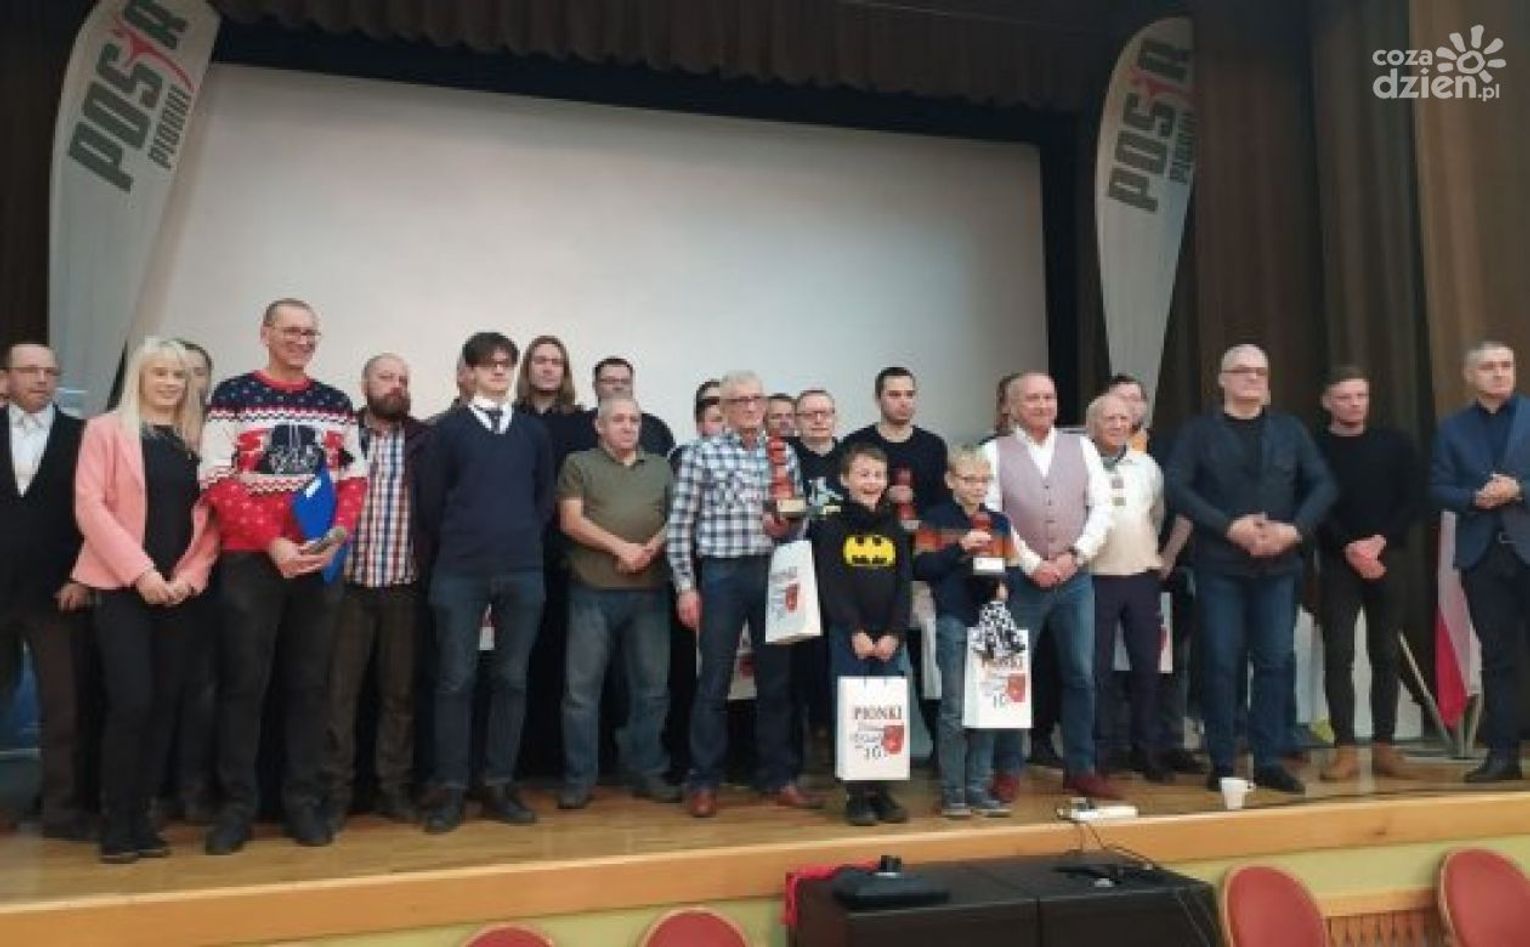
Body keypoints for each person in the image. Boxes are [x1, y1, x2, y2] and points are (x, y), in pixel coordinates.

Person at [198, 299, 368, 854]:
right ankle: (237, 807)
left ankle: (302, 803)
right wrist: (272, 541)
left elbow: (354, 477)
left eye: (310, 333)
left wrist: (337, 535)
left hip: (318, 563)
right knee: (243, 688)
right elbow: (217, 477)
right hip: (252, 561)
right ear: (265, 333)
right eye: (291, 330)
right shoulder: (233, 396)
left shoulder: (336, 404)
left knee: (309, 687)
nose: (302, 340)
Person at [1165, 344, 1336, 795]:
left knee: (1275, 662)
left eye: (1261, 371)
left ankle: (1269, 759)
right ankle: (1223, 760)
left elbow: (1323, 484)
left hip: (1278, 566)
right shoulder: (1199, 432)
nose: (1253, 378)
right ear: (1222, 379)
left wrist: (1293, 530)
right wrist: (1229, 527)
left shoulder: (1290, 429)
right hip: (1220, 565)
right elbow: (1176, 487)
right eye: (1242, 371)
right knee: (1222, 662)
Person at [73, 338, 219, 863]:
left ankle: (142, 818)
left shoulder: (199, 439)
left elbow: (213, 519)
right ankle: (116, 822)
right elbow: (90, 508)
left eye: (178, 375)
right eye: (160, 373)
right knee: (132, 702)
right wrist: (142, 574)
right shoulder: (104, 431)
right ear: (140, 376)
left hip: (180, 594)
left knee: (163, 706)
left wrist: (190, 577)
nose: (170, 383)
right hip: (123, 589)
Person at [416, 332, 554, 832]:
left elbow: (544, 496)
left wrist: (519, 535)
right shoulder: (448, 431)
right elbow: (431, 502)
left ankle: (498, 783)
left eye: (506, 364)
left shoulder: (531, 431)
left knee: (512, 680)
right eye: (489, 364)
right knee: (455, 681)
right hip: (460, 570)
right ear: (470, 372)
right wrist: (468, 538)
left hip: (522, 569)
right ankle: (452, 788)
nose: (499, 372)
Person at [667, 370, 819, 818]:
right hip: (722, 575)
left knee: (776, 683)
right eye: (740, 401)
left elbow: (800, 518)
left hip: (773, 572)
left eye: (757, 399)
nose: (751, 407)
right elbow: (680, 526)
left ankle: (778, 777)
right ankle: (704, 781)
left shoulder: (783, 453)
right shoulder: (702, 454)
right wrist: (685, 587)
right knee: (714, 682)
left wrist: (787, 526)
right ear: (725, 408)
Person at [982, 372, 1118, 801]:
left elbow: (1102, 509)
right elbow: (992, 516)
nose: (1043, 405)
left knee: (1080, 675)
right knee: (1010, 675)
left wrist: (1074, 556)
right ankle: (1007, 769)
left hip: (1075, 580)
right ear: (1012, 406)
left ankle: (1081, 768)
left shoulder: (1083, 448)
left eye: (1049, 396)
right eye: (1033, 398)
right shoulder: (993, 452)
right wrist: (1032, 563)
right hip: (1020, 582)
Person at [322, 354, 430, 830]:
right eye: (386, 377)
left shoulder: (425, 440)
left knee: (399, 697)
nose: (395, 385)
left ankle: (393, 789)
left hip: (403, 586)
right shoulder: (340, 435)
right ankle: (335, 793)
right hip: (346, 587)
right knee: (338, 697)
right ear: (364, 383)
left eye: (403, 379)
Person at [556, 395, 680, 809]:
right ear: (600, 425)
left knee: (652, 690)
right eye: (619, 420)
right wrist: (622, 548)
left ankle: (648, 773)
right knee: (581, 693)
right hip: (591, 593)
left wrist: (648, 550)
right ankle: (580, 779)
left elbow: (677, 518)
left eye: (635, 420)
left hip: (649, 593)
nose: (628, 427)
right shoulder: (578, 464)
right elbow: (571, 521)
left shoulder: (660, 466)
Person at [0, 342, 95, 840]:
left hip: (59, 592)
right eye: (29, 370)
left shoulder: (84, 436)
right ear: (6, 378)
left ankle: (61, 810)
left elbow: (99, 513)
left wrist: (83, 576)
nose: (41, 379)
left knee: (63, 706)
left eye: (50, 372)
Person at [1429, 340, 1530, 784]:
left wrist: (1519, 490)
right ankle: (1503, 755)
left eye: (1506, 365)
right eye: (1489, 367)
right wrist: (1474, 498)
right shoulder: (1452, 429)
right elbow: (1437, 487)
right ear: (1470, 376)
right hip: (1483, 557)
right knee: (1497, 658)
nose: (1500, 373)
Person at [1313, 366, 1421, 782]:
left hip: (1388, 557)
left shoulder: (1395, 443)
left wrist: (1378, 543)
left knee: (1386, 652)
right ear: (1327, 402)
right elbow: (1315, 505)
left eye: (1361, 396)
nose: (1354, 404)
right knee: (1339, 654)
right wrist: (1349, 547)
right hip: (1337, 561)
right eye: (1345, 397)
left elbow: (1413, 499)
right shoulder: (1316, 447)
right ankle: (1344, 748)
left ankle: (1384, 746)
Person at [914, 447, 1019, 818]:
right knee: (954, 709)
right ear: (950, 481)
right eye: (969, 479)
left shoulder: (999, 522)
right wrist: (960, 547)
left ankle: (977, 787)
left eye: (983, 480)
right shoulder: (936, 519)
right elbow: (921, 567)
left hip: (991, 620)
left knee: (988, 707)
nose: (977, 487)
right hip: (953, 619)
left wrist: (1005, 586)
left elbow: (1011, 569)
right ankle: (952, 791)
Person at [815, 443, 911, 825]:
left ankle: (881, 789)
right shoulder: (833, 525)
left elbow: (903, 584)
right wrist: (853, 629)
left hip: (888, 638)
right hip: (850, 636)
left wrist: (895, 633)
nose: (872, 481)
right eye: (863, 474)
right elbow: (832, 584)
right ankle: (855, 793)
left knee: (886, 713)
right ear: (845, 480)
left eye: (878, 475)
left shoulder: (894, 526)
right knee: (853, 712)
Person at [1085, 394, 1171, 783]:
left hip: (1141, 577)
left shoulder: (1146, 465)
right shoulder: (1079, 462)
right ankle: (1102, 753)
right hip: (1094, 578)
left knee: (1148, 669)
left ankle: (1147, 751)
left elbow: (1157, 514)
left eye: (1124, 418)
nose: (1119, 425)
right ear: (1092, 424)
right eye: (1110, 419)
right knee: (1097, 670)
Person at [165, 339, 219, 823]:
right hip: (149, 577)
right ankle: (152, 789)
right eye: (179, 372)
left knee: (202, 690)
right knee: (151, 690)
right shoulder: (141, 433)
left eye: (197, 372)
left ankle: (193, 787)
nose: (188, 382)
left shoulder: (218, 431)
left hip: (209, 581)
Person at [787, 388, 842, 768]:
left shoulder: (851, 456)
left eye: (825, 413)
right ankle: (800, 750)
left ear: (836, 417)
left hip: (843, 573)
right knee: (800, 662)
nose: (819, 420)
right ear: (796, 420)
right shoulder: (784, 457)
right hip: (798, 569)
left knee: (839, 657)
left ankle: (840, 745)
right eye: (809, 414)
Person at [843, 367, 950, 520]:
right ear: (877, 399)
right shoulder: (855, 443)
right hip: (868, 530)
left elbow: (944, 500)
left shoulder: (934, 445)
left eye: (909, 395)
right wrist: (883, 494)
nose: (904, 402)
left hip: (924, 531)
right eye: (894, 395)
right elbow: (844, 496)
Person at [588, 357, 677, 457]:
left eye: (625, 381)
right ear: (595, 386)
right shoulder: (578, 425)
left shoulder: (656, 428)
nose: (618, 386)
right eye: (610, 381)